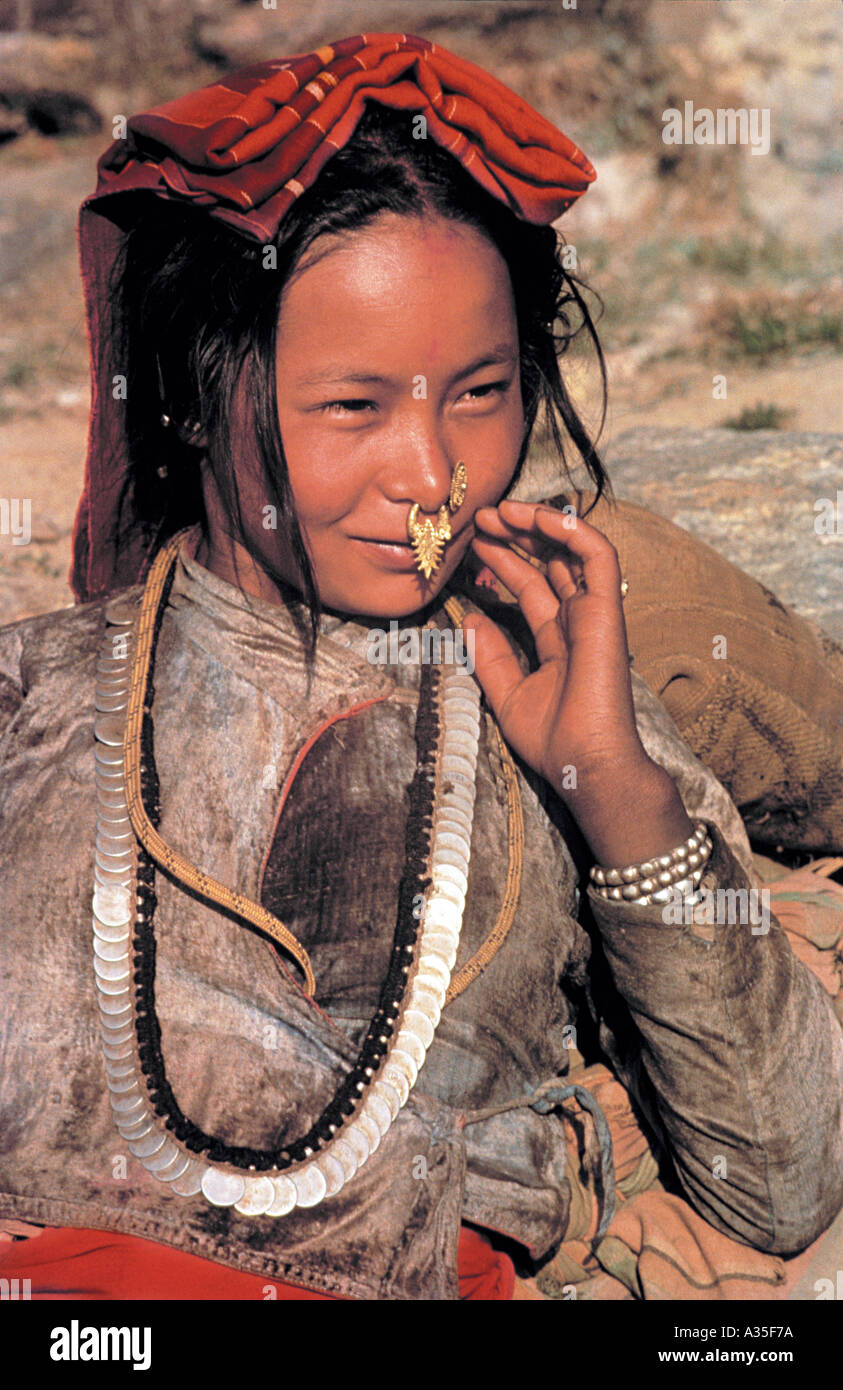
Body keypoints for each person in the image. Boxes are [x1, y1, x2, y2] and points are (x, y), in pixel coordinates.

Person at [0, 32, 841, 1302]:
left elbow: (784, 1179)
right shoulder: (37, 694)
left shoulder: (549, 707)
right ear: (190, 391)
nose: (433, 476)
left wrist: (610, 780)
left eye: (481, 391)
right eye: (355, 408)